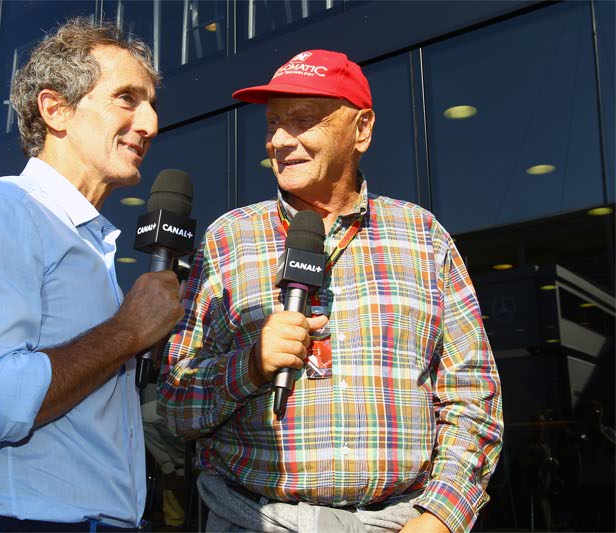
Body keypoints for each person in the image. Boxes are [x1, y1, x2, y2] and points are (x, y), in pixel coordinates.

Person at [157, 50, 503, 533]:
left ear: (361, 129)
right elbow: (176, 404)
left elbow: (474, 399)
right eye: (273, 123)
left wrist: (438, 519)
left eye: (302, 120)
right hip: (251, 518)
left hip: (402, 523)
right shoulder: (228, 239)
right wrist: (251, 365)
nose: (279, 140)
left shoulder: (424, 238)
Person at [0, 18, 183, 532]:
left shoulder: (92, 243)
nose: (151, 123)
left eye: (151, 104)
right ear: (56, 109)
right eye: (127, 99)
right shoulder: (0, 209)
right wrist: (128, 332)